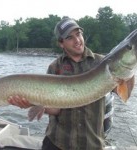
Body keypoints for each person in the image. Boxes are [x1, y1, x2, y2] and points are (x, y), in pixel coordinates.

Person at [7, 17, 134, 150]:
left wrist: (130, 71)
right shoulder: (55, 67)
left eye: (78, 34)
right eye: (70, 37)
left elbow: (126, 94)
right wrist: (32, 102)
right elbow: (56, 109)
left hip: (91, 144)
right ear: (61, 43)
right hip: (57, 143)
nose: (77, 40)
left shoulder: (102, 63)